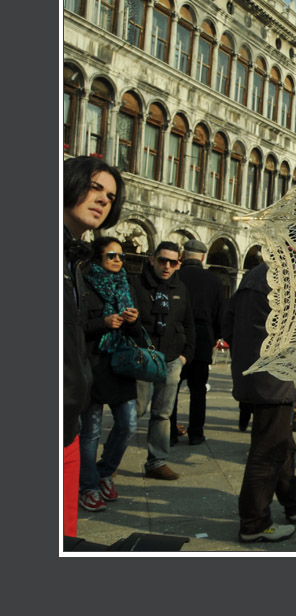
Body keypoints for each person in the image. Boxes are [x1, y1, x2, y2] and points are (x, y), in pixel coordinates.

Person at [224, 261, 296, 543]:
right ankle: (254, 522)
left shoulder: (256, 274)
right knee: (268, 448)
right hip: (275, 377)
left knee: (282, 441)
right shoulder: (292, 279)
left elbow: (227, 321)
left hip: (256, 372)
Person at [63, 156, 125, 536]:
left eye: (111, 195)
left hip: (69, 414)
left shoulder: (72, 257)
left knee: (65, 533)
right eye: (95, 187)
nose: (103, 200)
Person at [78, 237, 140, 512]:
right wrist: (102, 323)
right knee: (90, 431)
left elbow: (139, 332)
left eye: (121, 256)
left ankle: (105, 471)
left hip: (120, 366)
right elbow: (74, 326)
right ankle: (88, 486)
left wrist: (134, 321)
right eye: (111, 255)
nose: (117, 260)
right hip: (92, 364)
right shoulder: (84, 284)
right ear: (98, 259)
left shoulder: (127, 286)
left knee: (129, 424)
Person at [131, 241, 196, 479]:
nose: (167, 266)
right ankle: (111, 459)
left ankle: (156, 461)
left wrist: (185, 356)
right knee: (135, 411)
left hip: (171, 360)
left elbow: (188, 323)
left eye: (173, 262)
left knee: (163, 413)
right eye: (162, 261)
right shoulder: (137, 285)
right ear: (152, 260)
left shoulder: (180, 288)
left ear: (179, 264)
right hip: (144, 358)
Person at [172, 239, 226, 446]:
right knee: (198, 390)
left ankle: (169, 433)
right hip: (203, 338)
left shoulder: (175, 276)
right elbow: (220, 313)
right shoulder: (213, 281)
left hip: (177, 339)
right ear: (202, 257)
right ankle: (196, 433)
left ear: (183, 256)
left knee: (172, 389)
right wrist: (215, 337)